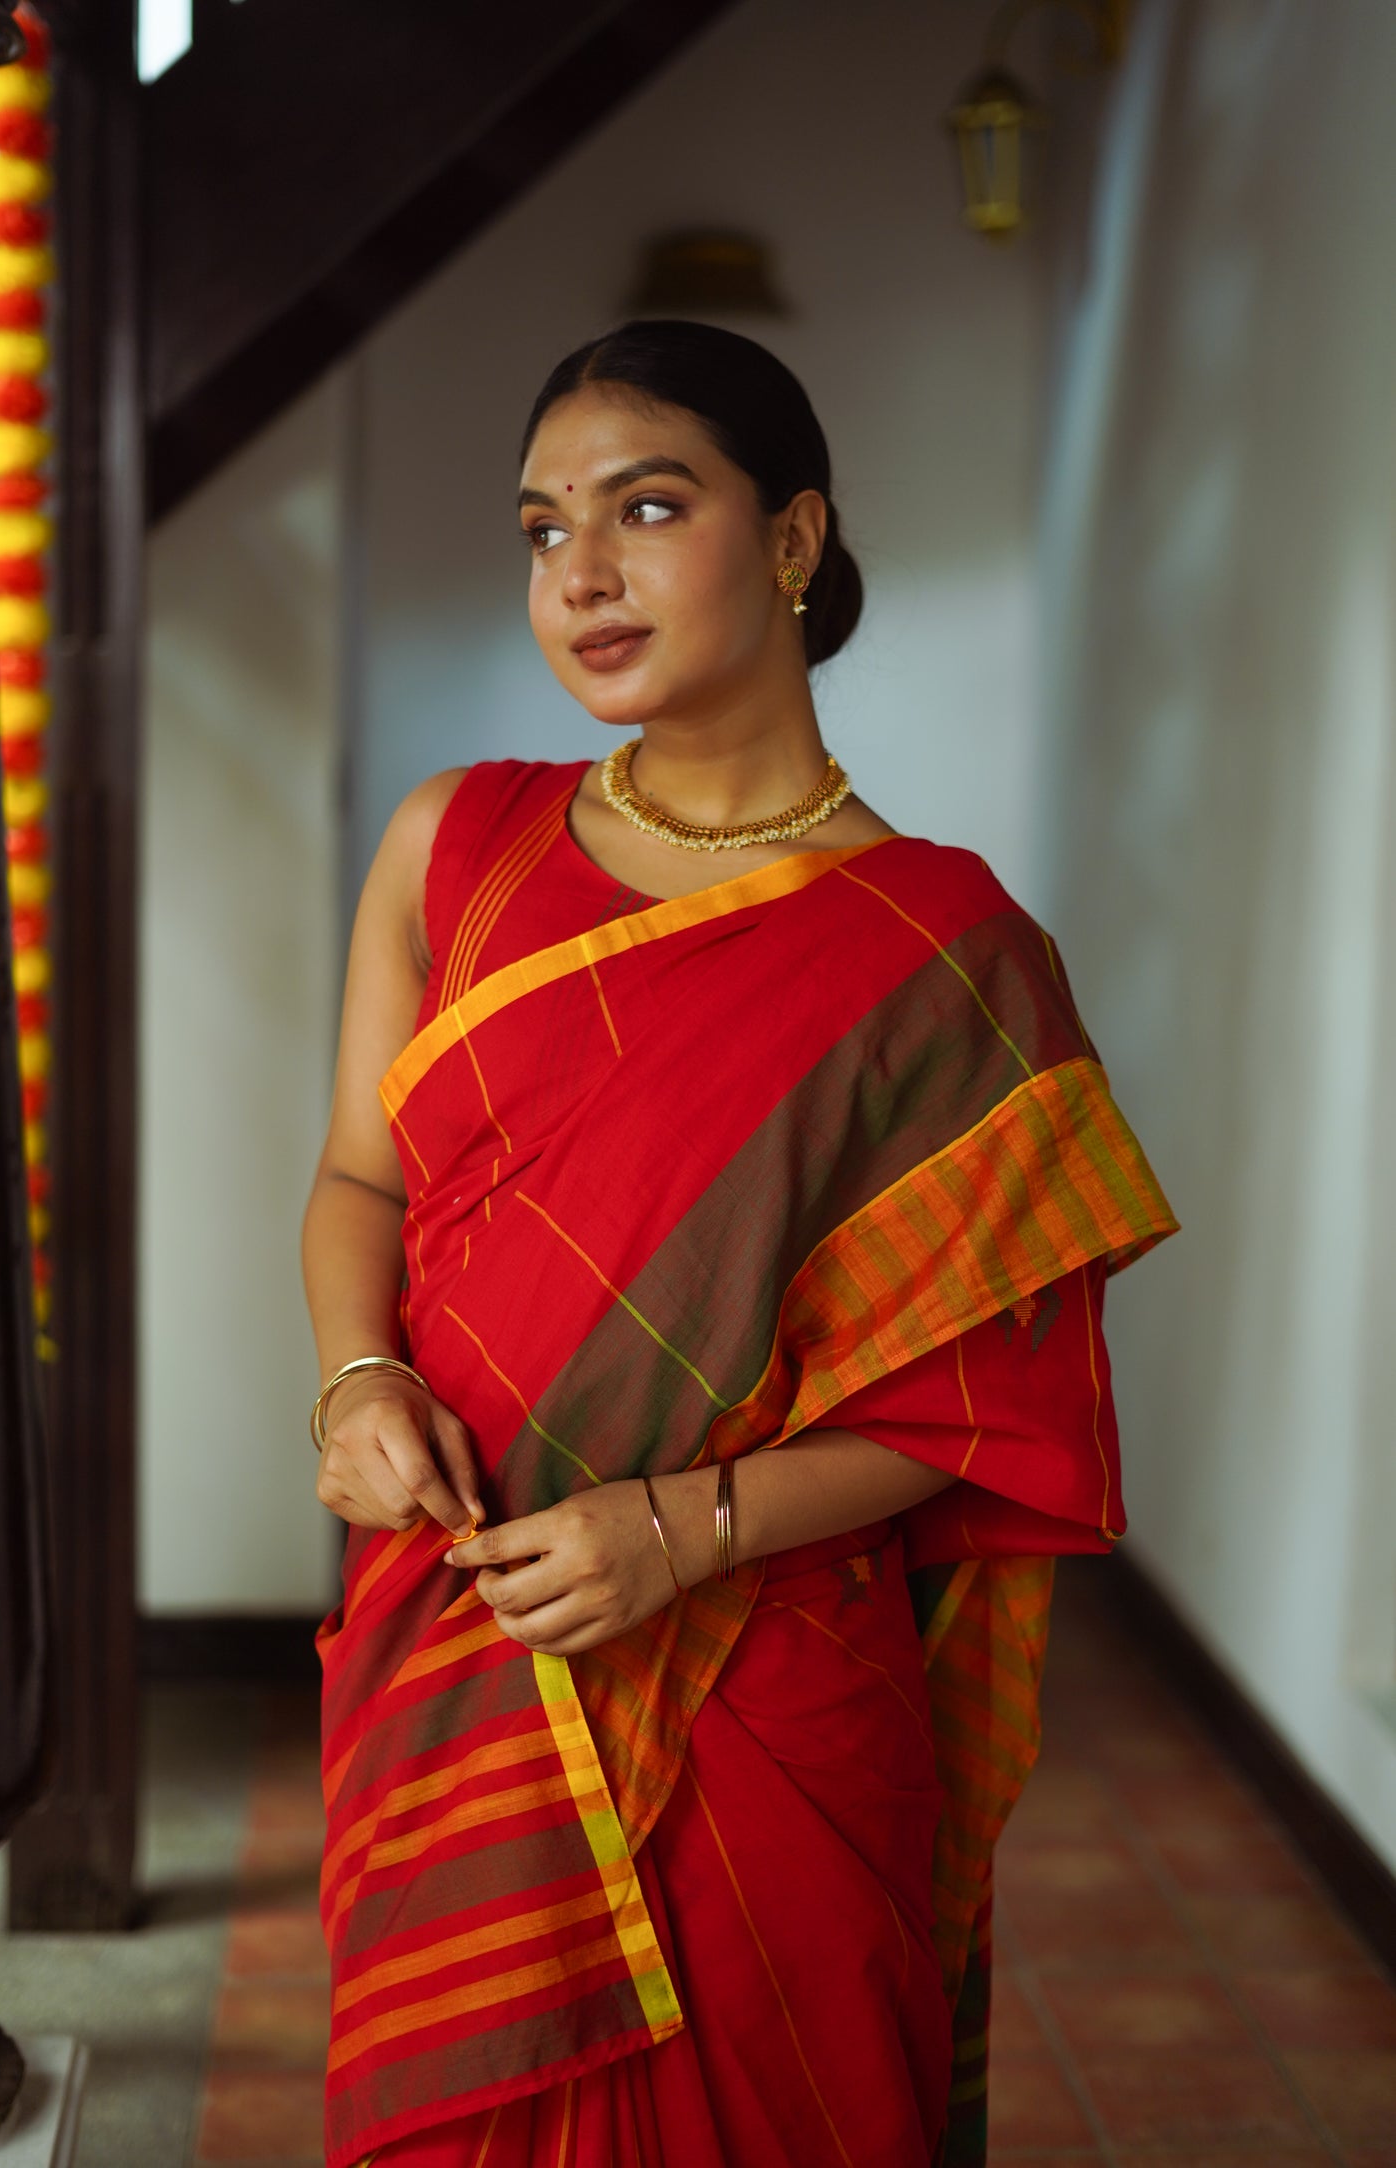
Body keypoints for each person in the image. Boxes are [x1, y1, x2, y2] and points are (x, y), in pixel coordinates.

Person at [303, 320, 1177, 2168]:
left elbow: (983, 1417)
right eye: (545, 530)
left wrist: (673, 1532)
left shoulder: (948, 958)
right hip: (463, 1644)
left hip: (766, 1686)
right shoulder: (451, 847)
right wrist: (355, 1375)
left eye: (645, 507)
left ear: (793, 540)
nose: (583, 575)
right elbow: (359, 1187)